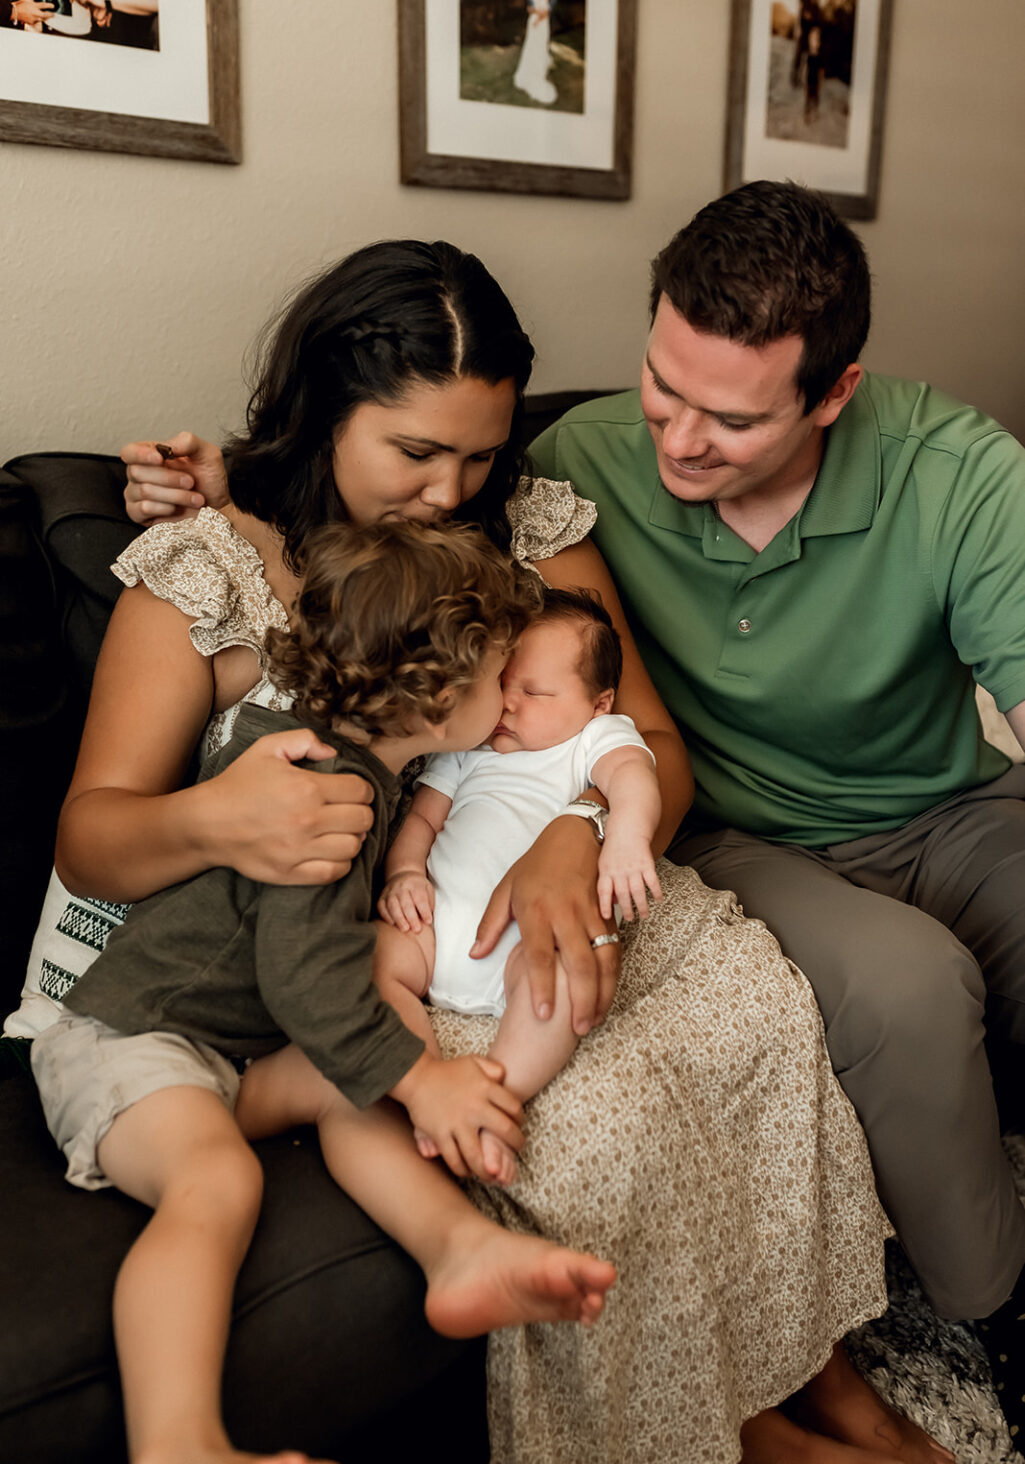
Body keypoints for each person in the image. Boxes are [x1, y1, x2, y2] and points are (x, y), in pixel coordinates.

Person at [103, 238, 945, 1463]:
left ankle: (817, 1370)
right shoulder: (207, 565)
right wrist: (212, 817)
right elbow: (92, 840)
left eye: (481, 454)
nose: (451, 492)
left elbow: (647, 739)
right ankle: (732, 1429)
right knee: (595, 1125)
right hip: (402, 952)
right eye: (414, 452)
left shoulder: (528, 531)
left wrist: (572, 827)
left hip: (560, 890)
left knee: (753, 1023)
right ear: (327, 412)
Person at [523, 178, 1025, 1454]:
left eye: (734, 419)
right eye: (661, 386)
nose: (680, 439)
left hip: (950, 804)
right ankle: (992, 1313)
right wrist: (218, 490)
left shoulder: (959, 471)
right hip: (741, 833)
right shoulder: (575, 465)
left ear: (833, 392)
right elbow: (386, 500)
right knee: (908, 992)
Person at [32, 517, 617, 1464]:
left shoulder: (340, 752)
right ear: (439, 700)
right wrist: (425, 1082)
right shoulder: (323, 794)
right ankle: (179, 1443)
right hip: (127, 1041)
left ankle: (457, 1250)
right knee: (217, 1182)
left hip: (222, 1053)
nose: (512, 691)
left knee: (359, 1080)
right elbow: (304, 974)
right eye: (501, 674)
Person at [375, 586, 663, 1185]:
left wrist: (627, 838)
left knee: (561, 984)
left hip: (532, 939)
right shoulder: (470, 747)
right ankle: (428, 1079)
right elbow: (422, 821)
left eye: (533, 692)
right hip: (433, 929)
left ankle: (499, 1095)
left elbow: (634, 774)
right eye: (503, 683)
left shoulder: (591, 740)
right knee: (372, 959)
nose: (508, 703)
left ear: (598, 703)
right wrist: (404, 873)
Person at [512, 0, 557, 106]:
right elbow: (530, 8)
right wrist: (536, 15)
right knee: (531, 46)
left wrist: (539, 18)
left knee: (541, 46)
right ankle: (529, 69)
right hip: (533, 24)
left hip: (542, 24)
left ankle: (539, 68)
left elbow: (546, 13)